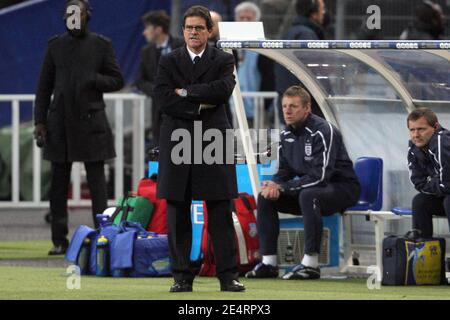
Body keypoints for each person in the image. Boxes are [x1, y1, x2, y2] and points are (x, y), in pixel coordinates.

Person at [153, 5, 245, 293]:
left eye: (199, 28)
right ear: (183, 31)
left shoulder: (223, 59)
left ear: (209, 31)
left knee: (220, 207)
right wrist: (200, 104)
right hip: (177, 138)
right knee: (177, 208)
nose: (194, 32)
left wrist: (187, 92)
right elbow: (163, 98)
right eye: (189, 28)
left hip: (213, 139)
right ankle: (181, 277)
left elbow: (222, 90)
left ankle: (228, 276)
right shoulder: (169, 61)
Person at [34, 0, 124, 255]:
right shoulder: (55, 46)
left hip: (91, 122)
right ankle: (59, 240)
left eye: (79, 14)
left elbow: (118, 79)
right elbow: (43, 88)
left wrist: (94, 79)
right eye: (70, 15)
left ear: (88, 17)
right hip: (59, 123)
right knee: (58, 185)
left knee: (98, 185)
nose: (74, 19)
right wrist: (40, 122)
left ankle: (102, 236)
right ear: (64, 18)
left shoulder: (101, 45)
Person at [245, 86, 360, 280]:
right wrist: (274, 185)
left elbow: (320, 176)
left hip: (342, 188)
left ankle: (311, 264)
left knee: (309, 195)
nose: (287, 111)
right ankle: (269, 263)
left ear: (307, 108)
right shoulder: (286, 135)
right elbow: (284, 171)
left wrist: (283, 187)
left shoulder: (324, 130)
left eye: (293, 106)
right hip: (313, 189)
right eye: (284, 106)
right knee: (265, 198)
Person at [135, 10, 184, 147]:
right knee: (159, 154)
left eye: (147, 28)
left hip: (184, 112)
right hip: (159, 114)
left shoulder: (182, 46)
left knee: (184, 155)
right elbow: (140, 80)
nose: (144, 32)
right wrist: (157, 91)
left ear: (158, 29)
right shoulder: (146, 52)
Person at [275, 0, 327, 121]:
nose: (324, 13)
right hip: (304, 111)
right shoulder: (307, 35)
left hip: (292, 106)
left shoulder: (290, 32)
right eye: (322, 9)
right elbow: (314, 72)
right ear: (313, 13)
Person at [407, 107, 450, 238]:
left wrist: (433, 181)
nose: (416, 135)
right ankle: (423, 253)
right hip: (445, 195)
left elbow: (446, 184)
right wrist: (438, 182)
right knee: (420, 201)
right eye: (412, 130)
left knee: (449, 201)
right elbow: (418, 183)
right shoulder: (414, 148)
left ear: (435, 127)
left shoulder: (442, 140)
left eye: (421, 129)